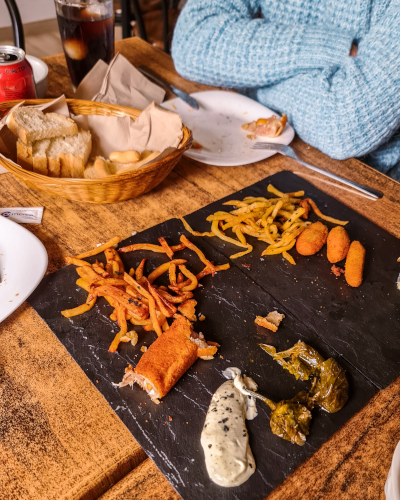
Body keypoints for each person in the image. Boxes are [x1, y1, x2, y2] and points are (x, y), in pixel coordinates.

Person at [172, 0, 400, 181]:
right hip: (255, 147)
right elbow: (191, 40)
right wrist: (337, 49)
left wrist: (249, 81)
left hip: (367, 183)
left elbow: (343, 125)